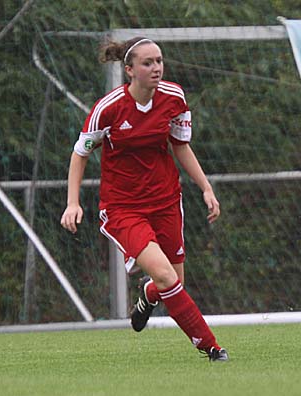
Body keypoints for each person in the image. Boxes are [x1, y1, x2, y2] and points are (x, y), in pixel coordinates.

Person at [60, 37, 228, 361]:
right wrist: (72, 202)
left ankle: (149, 294)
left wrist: (206, 187)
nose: (156, 68)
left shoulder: (174, 97)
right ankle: (211, 347)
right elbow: (80, 153)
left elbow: (180, 145)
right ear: (129, 70)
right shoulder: (108, 108)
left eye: (159, 61)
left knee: (172, 282)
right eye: (147, 63)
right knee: (165, 275)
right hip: (123, 209)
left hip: (166, 201)